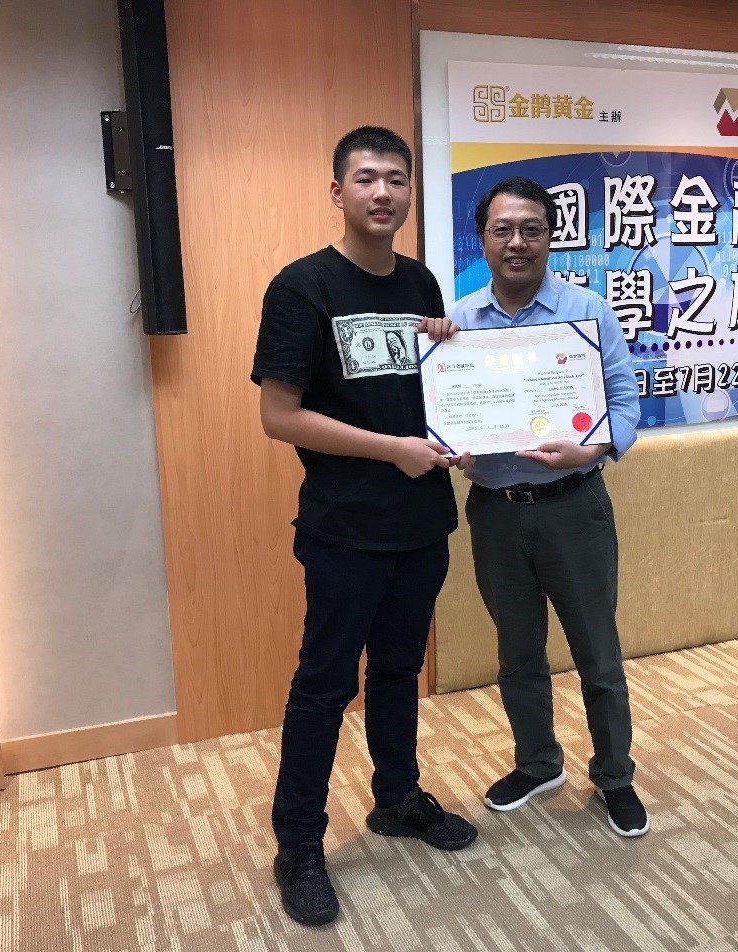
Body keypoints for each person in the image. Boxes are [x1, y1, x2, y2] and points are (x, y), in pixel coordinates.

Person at [251, 126, 477, 928]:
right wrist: (392, 450)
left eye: (396, 179)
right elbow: (279, 416)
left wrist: (452, 383)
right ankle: (298, 845)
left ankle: (397, 798)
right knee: (324, 685)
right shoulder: (301, 286)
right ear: (337, 192)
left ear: (411, 193)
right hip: (345, 528)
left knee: (398, 671)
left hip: (422, 522)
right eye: (366, 178)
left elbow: (427, 395)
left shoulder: (420, 283)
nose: (383, 192)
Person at [449, 176, 647, 838]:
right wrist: (448, 441)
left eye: (531, 229)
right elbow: (441, 413)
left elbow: (625, 406)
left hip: (574, 507)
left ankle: (614, 774)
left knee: (598, 653)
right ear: (482, 240)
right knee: (517, 651)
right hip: (495, 511)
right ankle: (538, 763)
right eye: (502, 230)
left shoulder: (588, 312)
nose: (517, 242)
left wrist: (588, 449)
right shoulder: (457, 323)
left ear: (551, 238)